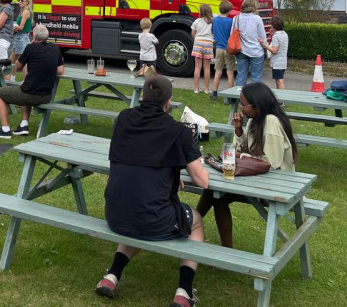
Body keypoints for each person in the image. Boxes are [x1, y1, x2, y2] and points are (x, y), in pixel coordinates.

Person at [95, 75, 208, 306]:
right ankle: (184, 292)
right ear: (168, 104)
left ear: (143, 96)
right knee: (195, 222)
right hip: (151, 219)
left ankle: (111, 276)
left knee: (139, 212)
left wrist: (167, 173)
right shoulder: (178, 131)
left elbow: (138, 155)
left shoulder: (123, 119)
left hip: (115, 213)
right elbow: (202, 181)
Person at [195, 82, 297, 248]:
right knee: (214, 192)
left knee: (216, 194)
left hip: (277, 185)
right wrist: (238, 131)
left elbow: (271, 162)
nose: (241, 108)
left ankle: (190, 225)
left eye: (244, 105)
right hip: (258, 179)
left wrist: (240, 155)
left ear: (257, 105)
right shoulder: (255, 119)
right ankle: (196, 227)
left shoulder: (271, 122)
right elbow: (241, 149)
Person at [0, 24, 64, 138]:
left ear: (34, 37)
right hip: (46, 95)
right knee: (25, 85)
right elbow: (60, 71)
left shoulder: (31, 47)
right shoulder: (55, 48)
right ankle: (23, 125)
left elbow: (18, 66)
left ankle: (5, 130)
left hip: (30, 94)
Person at [231, 0, 267, 87]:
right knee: (256, 77)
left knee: (241, 76)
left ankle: (238, 98)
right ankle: (254, 99)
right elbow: (262, 37)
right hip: (256, 51)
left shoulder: (236, 18)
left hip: (241, 50)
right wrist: (265, 49)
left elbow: (232, 34)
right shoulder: (257, 19)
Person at [210, 0, 236, 100]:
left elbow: (212, 31)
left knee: (218, 72)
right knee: (230, 72)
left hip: (219, 48)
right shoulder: (230, 21)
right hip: (228, 49)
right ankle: (230, 95)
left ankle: (215, 93)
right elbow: (232, 35)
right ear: (229, 10)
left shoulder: (215, 20)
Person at [191, 3, 214, 94]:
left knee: (197, 67)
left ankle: (196, 88)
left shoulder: (197, 21)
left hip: (198, 42)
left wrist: (196, 40)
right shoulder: (212, 21)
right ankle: (206, 89)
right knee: (207, 67)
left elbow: (193, 32)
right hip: (208, 43)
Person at [264, 15, 289, 90]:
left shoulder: (276, 36)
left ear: (274, 26)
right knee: (278, 80)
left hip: (277, 62)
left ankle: (282, 98)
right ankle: (278, 97)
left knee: (279, 81)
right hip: (283, 61)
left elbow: (274, 50)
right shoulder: (284, 34)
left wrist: (264, 45)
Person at [10, 0, 34, 67]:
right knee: (12, 60)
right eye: (19, 0)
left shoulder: (26, 12)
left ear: (27, 2)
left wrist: (14, 28)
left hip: (21, 37)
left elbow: (21, 27)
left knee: (24, 61)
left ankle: (25, 78)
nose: (19, 2)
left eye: (22, 0)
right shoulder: (22, 11)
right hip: (20, 37)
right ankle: (12, 77)